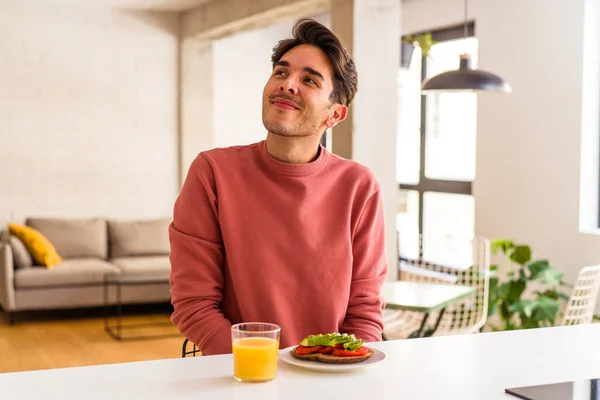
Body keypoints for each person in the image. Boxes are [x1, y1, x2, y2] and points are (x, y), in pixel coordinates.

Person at [168, 18, 388, 356]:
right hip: (238, 373)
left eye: (309, 79)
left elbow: (365, 312)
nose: (288, 85)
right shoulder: (212, 173)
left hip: (330, 377)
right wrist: (260, 368)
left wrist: (335, 371)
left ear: (335, 114)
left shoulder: (359, 186)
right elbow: (194, 304)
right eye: (281, 73)